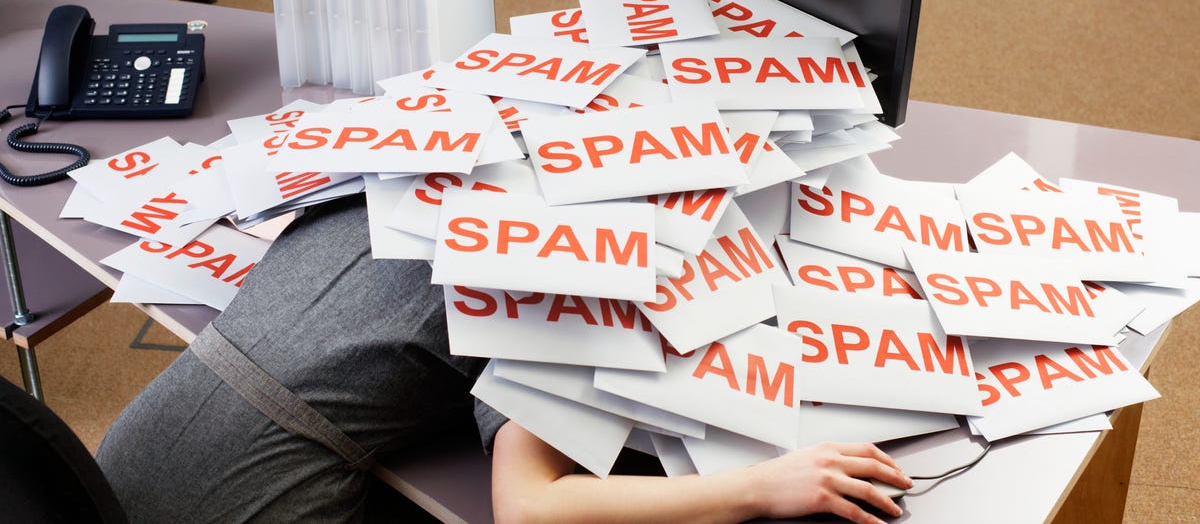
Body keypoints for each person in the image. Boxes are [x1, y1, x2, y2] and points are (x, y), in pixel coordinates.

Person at [96, 194, 910, 523]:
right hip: (248, 499)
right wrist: (763, 486)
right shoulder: (544, 268)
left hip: (116, 459)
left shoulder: (393, 177)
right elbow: (527, 507)